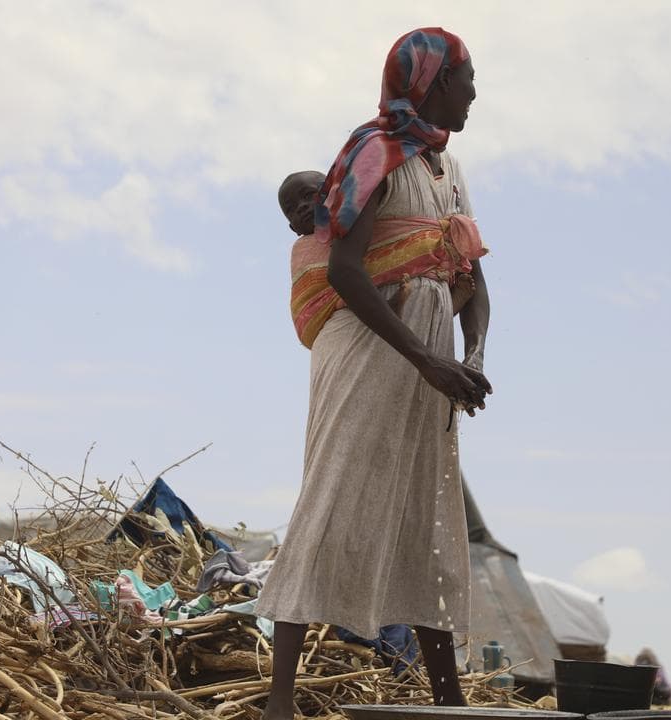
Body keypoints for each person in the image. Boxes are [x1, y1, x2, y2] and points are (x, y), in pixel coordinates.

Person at [257, 27, 490, 720]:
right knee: (333, 496)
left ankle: (445, 699)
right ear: (430, 83)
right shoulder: (375, 151)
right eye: (465, 77)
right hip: (369, 349)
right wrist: (427, 359)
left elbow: (472, 278)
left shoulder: (452, 172)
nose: (474, 90)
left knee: (427, 511)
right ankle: (279, 702)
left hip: (432, 360)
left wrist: (470, 357)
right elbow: (344, 269)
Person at [281, 170, 476, 330]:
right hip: (328, 310)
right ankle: (390, 307)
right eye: (291, 209)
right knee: (347, 285)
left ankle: (449, 307)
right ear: (293, 228)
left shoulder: (355, 224)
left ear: (333, 194)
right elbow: (318, 287)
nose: (301, 207)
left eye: (308, 195)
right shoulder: (304, 248)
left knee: (418, 314)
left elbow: (383, 245)